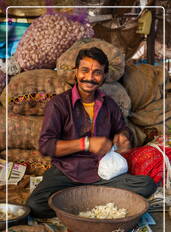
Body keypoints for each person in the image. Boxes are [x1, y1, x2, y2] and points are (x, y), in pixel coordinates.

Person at [27, 47, 157, 218]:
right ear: (76, 72)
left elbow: (121, 129)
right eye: (85, 70)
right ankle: (94, 198)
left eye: (97, 72)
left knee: (146, 184)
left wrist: (123, 137)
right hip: (67, 173)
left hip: (102, 173)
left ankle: (79, 200)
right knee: (35, 205)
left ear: (104, 76)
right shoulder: (59, 104)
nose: (89, 77)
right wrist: (86, 143)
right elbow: (46, 146)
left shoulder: (109, 104)